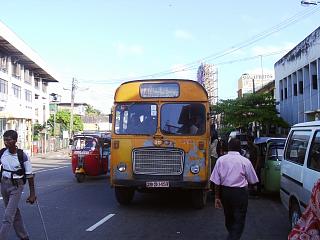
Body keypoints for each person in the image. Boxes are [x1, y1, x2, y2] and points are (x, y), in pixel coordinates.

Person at [210, 138, 259, 240]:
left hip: (225, 193)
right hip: (240, 193)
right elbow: (253, 180)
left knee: (229, 217)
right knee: (239, 219)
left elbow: (216, 181)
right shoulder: (245, 161)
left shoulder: (220, 160)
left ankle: (232, 235)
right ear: (240, 148)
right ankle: (233, 237)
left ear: (228, 147)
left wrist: (217, 197)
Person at [0, 130, 36, 240]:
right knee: (14, 213)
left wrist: (32, 194)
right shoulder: (2, 152)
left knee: (8, 216)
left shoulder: (22, 156)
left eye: (9, 140)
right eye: (5, 139)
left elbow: (29, 176)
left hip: (17, 186)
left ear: (15, 140)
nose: (6, 142)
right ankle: (24, 236)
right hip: (4, 184)